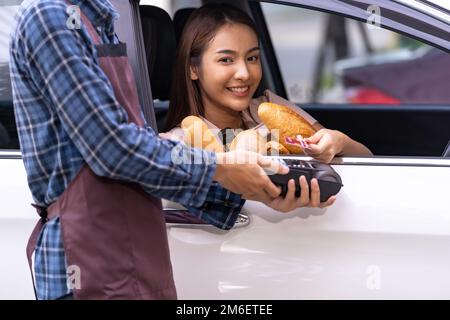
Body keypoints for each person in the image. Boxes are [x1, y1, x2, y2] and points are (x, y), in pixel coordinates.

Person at [9, 0, 303, 300]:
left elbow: (141, 154)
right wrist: (222, 168)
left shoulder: (101, 24)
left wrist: (256, 191)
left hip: (136, 259)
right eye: (226, 59)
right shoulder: (51, 16)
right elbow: (114, 149)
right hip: (88, 261)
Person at [165, 3, 373, 164]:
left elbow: (365, 159)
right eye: (226, 60)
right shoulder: (181, 143)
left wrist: (339, 141)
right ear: (193, 68)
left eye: (252, 58)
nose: (244, 73)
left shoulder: (269, 108)